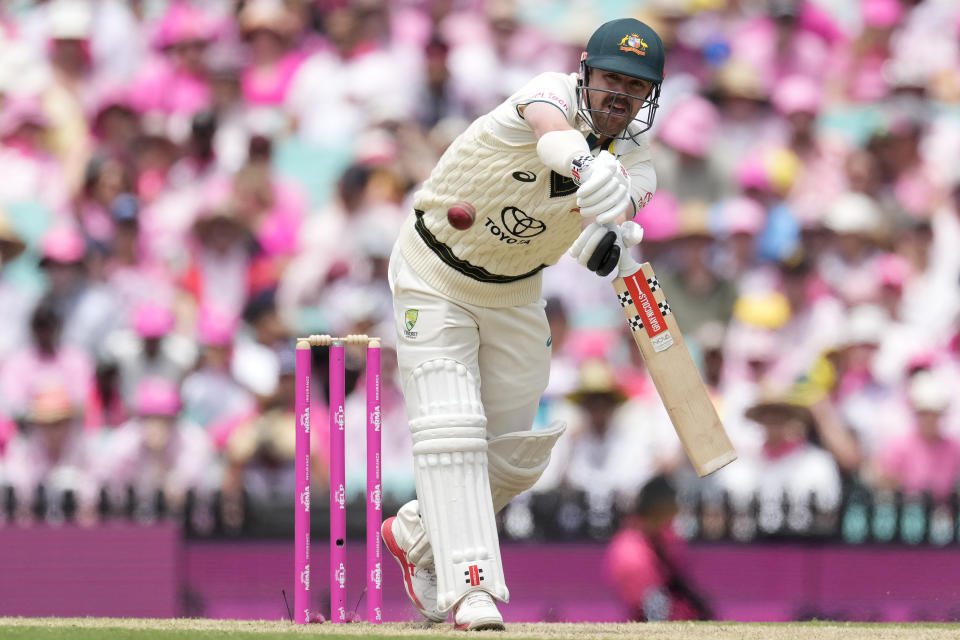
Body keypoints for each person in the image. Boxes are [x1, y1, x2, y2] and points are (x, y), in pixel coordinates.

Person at [380, 18, 663, 631]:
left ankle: (414, 532)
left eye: (635, 87)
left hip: (515, 293)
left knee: (513, 457)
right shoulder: (548, 93)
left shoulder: (640, 165)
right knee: (452, 429)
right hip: (434, 274)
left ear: (650, 97)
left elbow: (606, 223)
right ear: (586, 72)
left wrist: (609, 230)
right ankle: (472, 591)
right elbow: (553, 139)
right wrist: (591, 170)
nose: (621, 95)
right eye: (612, 78)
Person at [605, 474, 714, 621]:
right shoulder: (630, 552)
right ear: (659, 509)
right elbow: (653, 613)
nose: (676, 513)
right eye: (673, 507)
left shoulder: (665, 537)